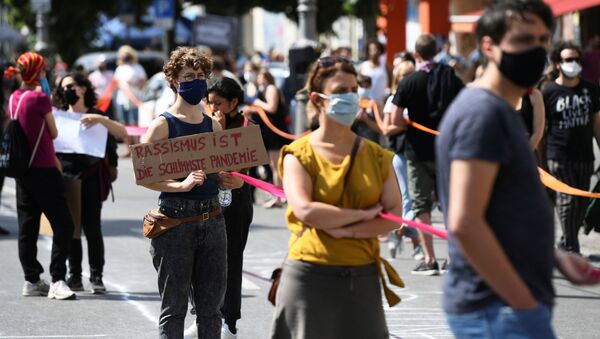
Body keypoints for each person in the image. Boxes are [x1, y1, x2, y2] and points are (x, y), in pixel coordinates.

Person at [436, 2, 600, 337]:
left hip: (506, 307)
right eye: (524, 39)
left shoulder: (499, 110)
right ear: (489, 46)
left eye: (542, 39)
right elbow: (466, 223)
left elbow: (500, 215)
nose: (536, 49)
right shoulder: (482, 113)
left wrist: (552, 257)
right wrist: (522, 302)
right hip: (498, 310)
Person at [270, 56, 404, 339]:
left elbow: (393, 215)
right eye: (342, 91)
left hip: (363, 277)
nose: (352, 98)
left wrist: (344, 230)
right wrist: (364, 216)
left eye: (354, 90)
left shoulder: (377, 156)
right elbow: (306, 210)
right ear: (318, 98)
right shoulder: (298, 153)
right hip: (309, 276)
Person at [141, 46, 227, 339]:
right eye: (189, 75)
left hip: (213, 219)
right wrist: (180, 185)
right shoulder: (162, 125)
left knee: (211, 310)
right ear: (175, 81)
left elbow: (227, 178)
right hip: (175, 221)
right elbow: (145, 176)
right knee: (174, 309)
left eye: (201, 75)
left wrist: (231, 178)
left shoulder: (212, 125)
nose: (196, 80)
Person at [388, 33, 464, 275]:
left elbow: (396, 121)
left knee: (421, 205)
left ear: (416, 54)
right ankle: (452, 258)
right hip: (448, 151)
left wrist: (411, 122)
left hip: (417, 153)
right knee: (450, 205)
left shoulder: (409, 82)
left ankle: (429, 259)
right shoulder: (450, 77)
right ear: (437, 50)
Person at [184, 77, 253, 339]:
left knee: (230, 263)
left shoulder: (248, 125)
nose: (213, 108)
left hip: (236, 204)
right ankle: (201, 316)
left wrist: (222, 134)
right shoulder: (203, 122)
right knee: (197, 260)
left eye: (219, 103)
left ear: (234, 102)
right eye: (209, 102)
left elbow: (244, 169)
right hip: (204, 200)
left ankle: (229, 322)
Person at [5, 51, 76, 300]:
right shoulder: (39, 99)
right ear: (37, 73)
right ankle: (58, 279)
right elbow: (54, 133)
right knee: (63, 224)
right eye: (44, 70)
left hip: (23, 171)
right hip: (45, 170)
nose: (46, 74)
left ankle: (32, 279)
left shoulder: (14, 97)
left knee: (28, 226)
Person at [53, 72, 126, 294]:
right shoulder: (59, 117)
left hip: (91, 177)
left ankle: (96, 276)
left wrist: (101, 119)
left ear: (84, 88)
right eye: (63, 87)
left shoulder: (96, 115)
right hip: (67, 178)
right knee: (71, 229)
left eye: (72, 86)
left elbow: (121, 134)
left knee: (92, 227)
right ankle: (74, 275)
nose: (68, 90)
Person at [543, 41, 600, 254]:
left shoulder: (590, 89)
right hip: (559, 154)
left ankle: (568, 238)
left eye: (576, 59)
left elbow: (596, 122)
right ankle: (571, 246)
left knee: (581, 201)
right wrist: (540, 158)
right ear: (558, 63)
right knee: (566, 200)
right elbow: (543, 127)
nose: (573, 64)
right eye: (568, 60)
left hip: (584, 155)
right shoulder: (549, 92)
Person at [382, 57, 422, 260]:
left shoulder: (420, 96)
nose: (407, 79)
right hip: (401, 154)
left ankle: (398, 233)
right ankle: (415, 246)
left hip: (421, 153)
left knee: (422, 202)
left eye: (410, 75)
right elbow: (386, 128)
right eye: (403, 76)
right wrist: (406, 123)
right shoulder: (393, 99)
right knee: (409, 201)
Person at [250, 69, 290, 208]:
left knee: (276, 166)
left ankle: (279, 197)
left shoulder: (271, 88)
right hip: (270, 131)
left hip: (275, 131)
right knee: (276, 166)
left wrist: (257, 102)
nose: (260, 79)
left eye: (262, 77)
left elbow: (271, 108)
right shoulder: (263, 89)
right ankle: (282, 195)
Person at [114, 45, 147, 126]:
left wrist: (133, 84)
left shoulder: (138, 67)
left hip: (134, 98)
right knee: (123, 123)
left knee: (134, 123)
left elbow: (144, 81)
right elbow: (115, 83)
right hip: (121, 99)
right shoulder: (119, 68)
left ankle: (135, 139)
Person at [358, 40, 391, 104]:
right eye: (372, 49)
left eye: (377, 49)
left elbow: (391, 83)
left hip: (382, 102)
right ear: (368, 51)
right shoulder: (362, 66)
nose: (375, 52)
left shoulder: (386, 66)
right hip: (366, 103)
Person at [352, 74, 381, 143]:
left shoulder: (375, 104)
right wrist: (355, 119)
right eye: (362, 86)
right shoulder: (351, 104)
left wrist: (366, 119)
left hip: (372, 143)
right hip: (354, 144)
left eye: (367, 87)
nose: (364, 89)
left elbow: (381, 129)